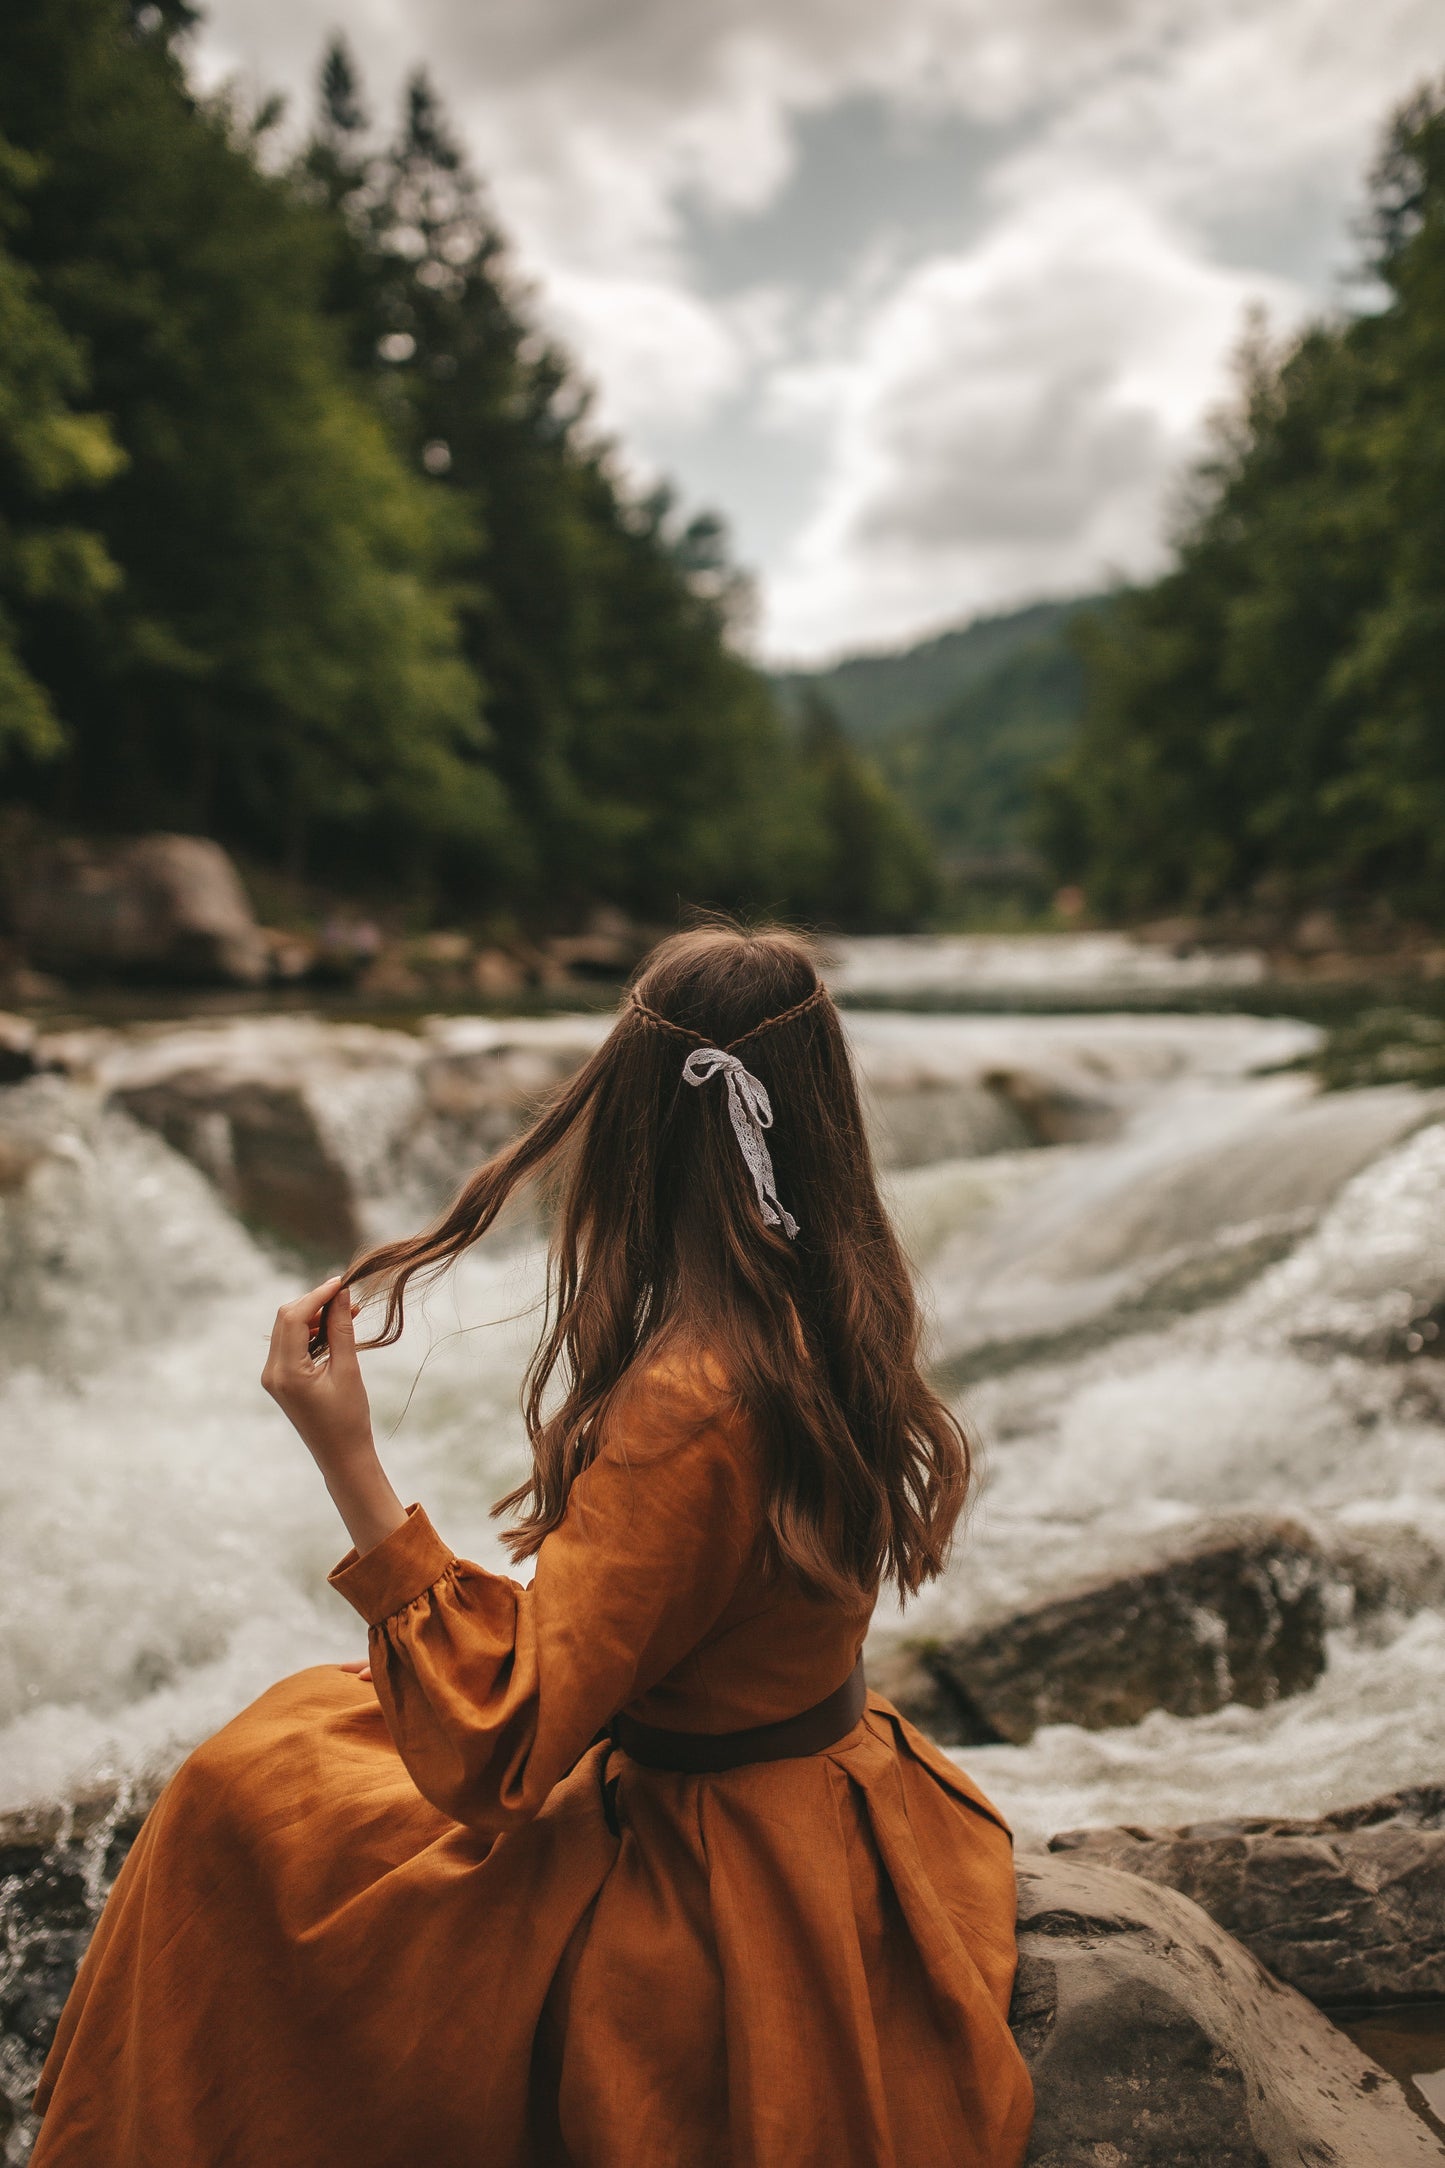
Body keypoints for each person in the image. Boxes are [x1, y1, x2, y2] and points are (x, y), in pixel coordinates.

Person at [32, 926, 1034, 2168]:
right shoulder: (829, 1298)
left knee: (243, 1800)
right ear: (823, 1116)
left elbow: (501, 1755)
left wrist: (347, 1452)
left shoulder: (689, 1393)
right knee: (305, 1726)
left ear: (632, 1127)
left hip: (717, 1871)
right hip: (830, 1784)